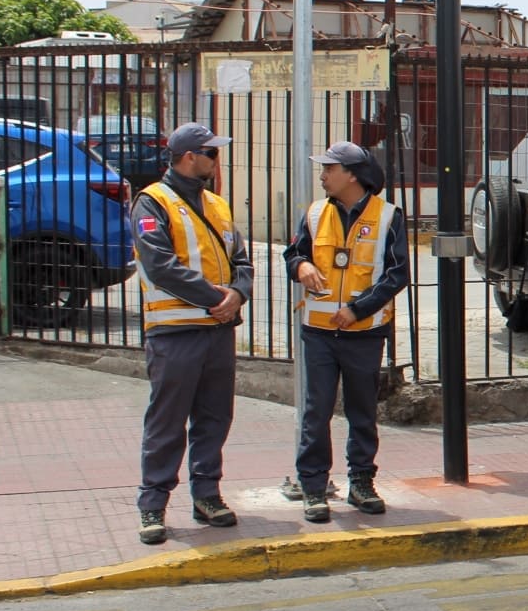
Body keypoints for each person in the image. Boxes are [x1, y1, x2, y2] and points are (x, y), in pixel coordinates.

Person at [131, 121, 253, 546]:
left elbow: (243, 259)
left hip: (217, 330)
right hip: (175, 331)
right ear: (189, 158)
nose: (216, 161)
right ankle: (152, 504)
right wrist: (216, 298)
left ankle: (207, 495)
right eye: (211, 154)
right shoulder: (152, 203)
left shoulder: (217, 206)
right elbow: (159, 265)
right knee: (167, 421)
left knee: (215, 417)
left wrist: (238, 293)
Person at [282, 141, 410, 522]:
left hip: (364, 332)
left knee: (362, 411)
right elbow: (293, 254)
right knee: (316, 411)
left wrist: (357, 309)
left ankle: (361, 481)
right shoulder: (314, 213)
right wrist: (300, 266)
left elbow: (396, 273)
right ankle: (313, 486)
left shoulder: (389, 216)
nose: (322, 175)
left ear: (352, 174)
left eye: (329, 169)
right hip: (319, 331)